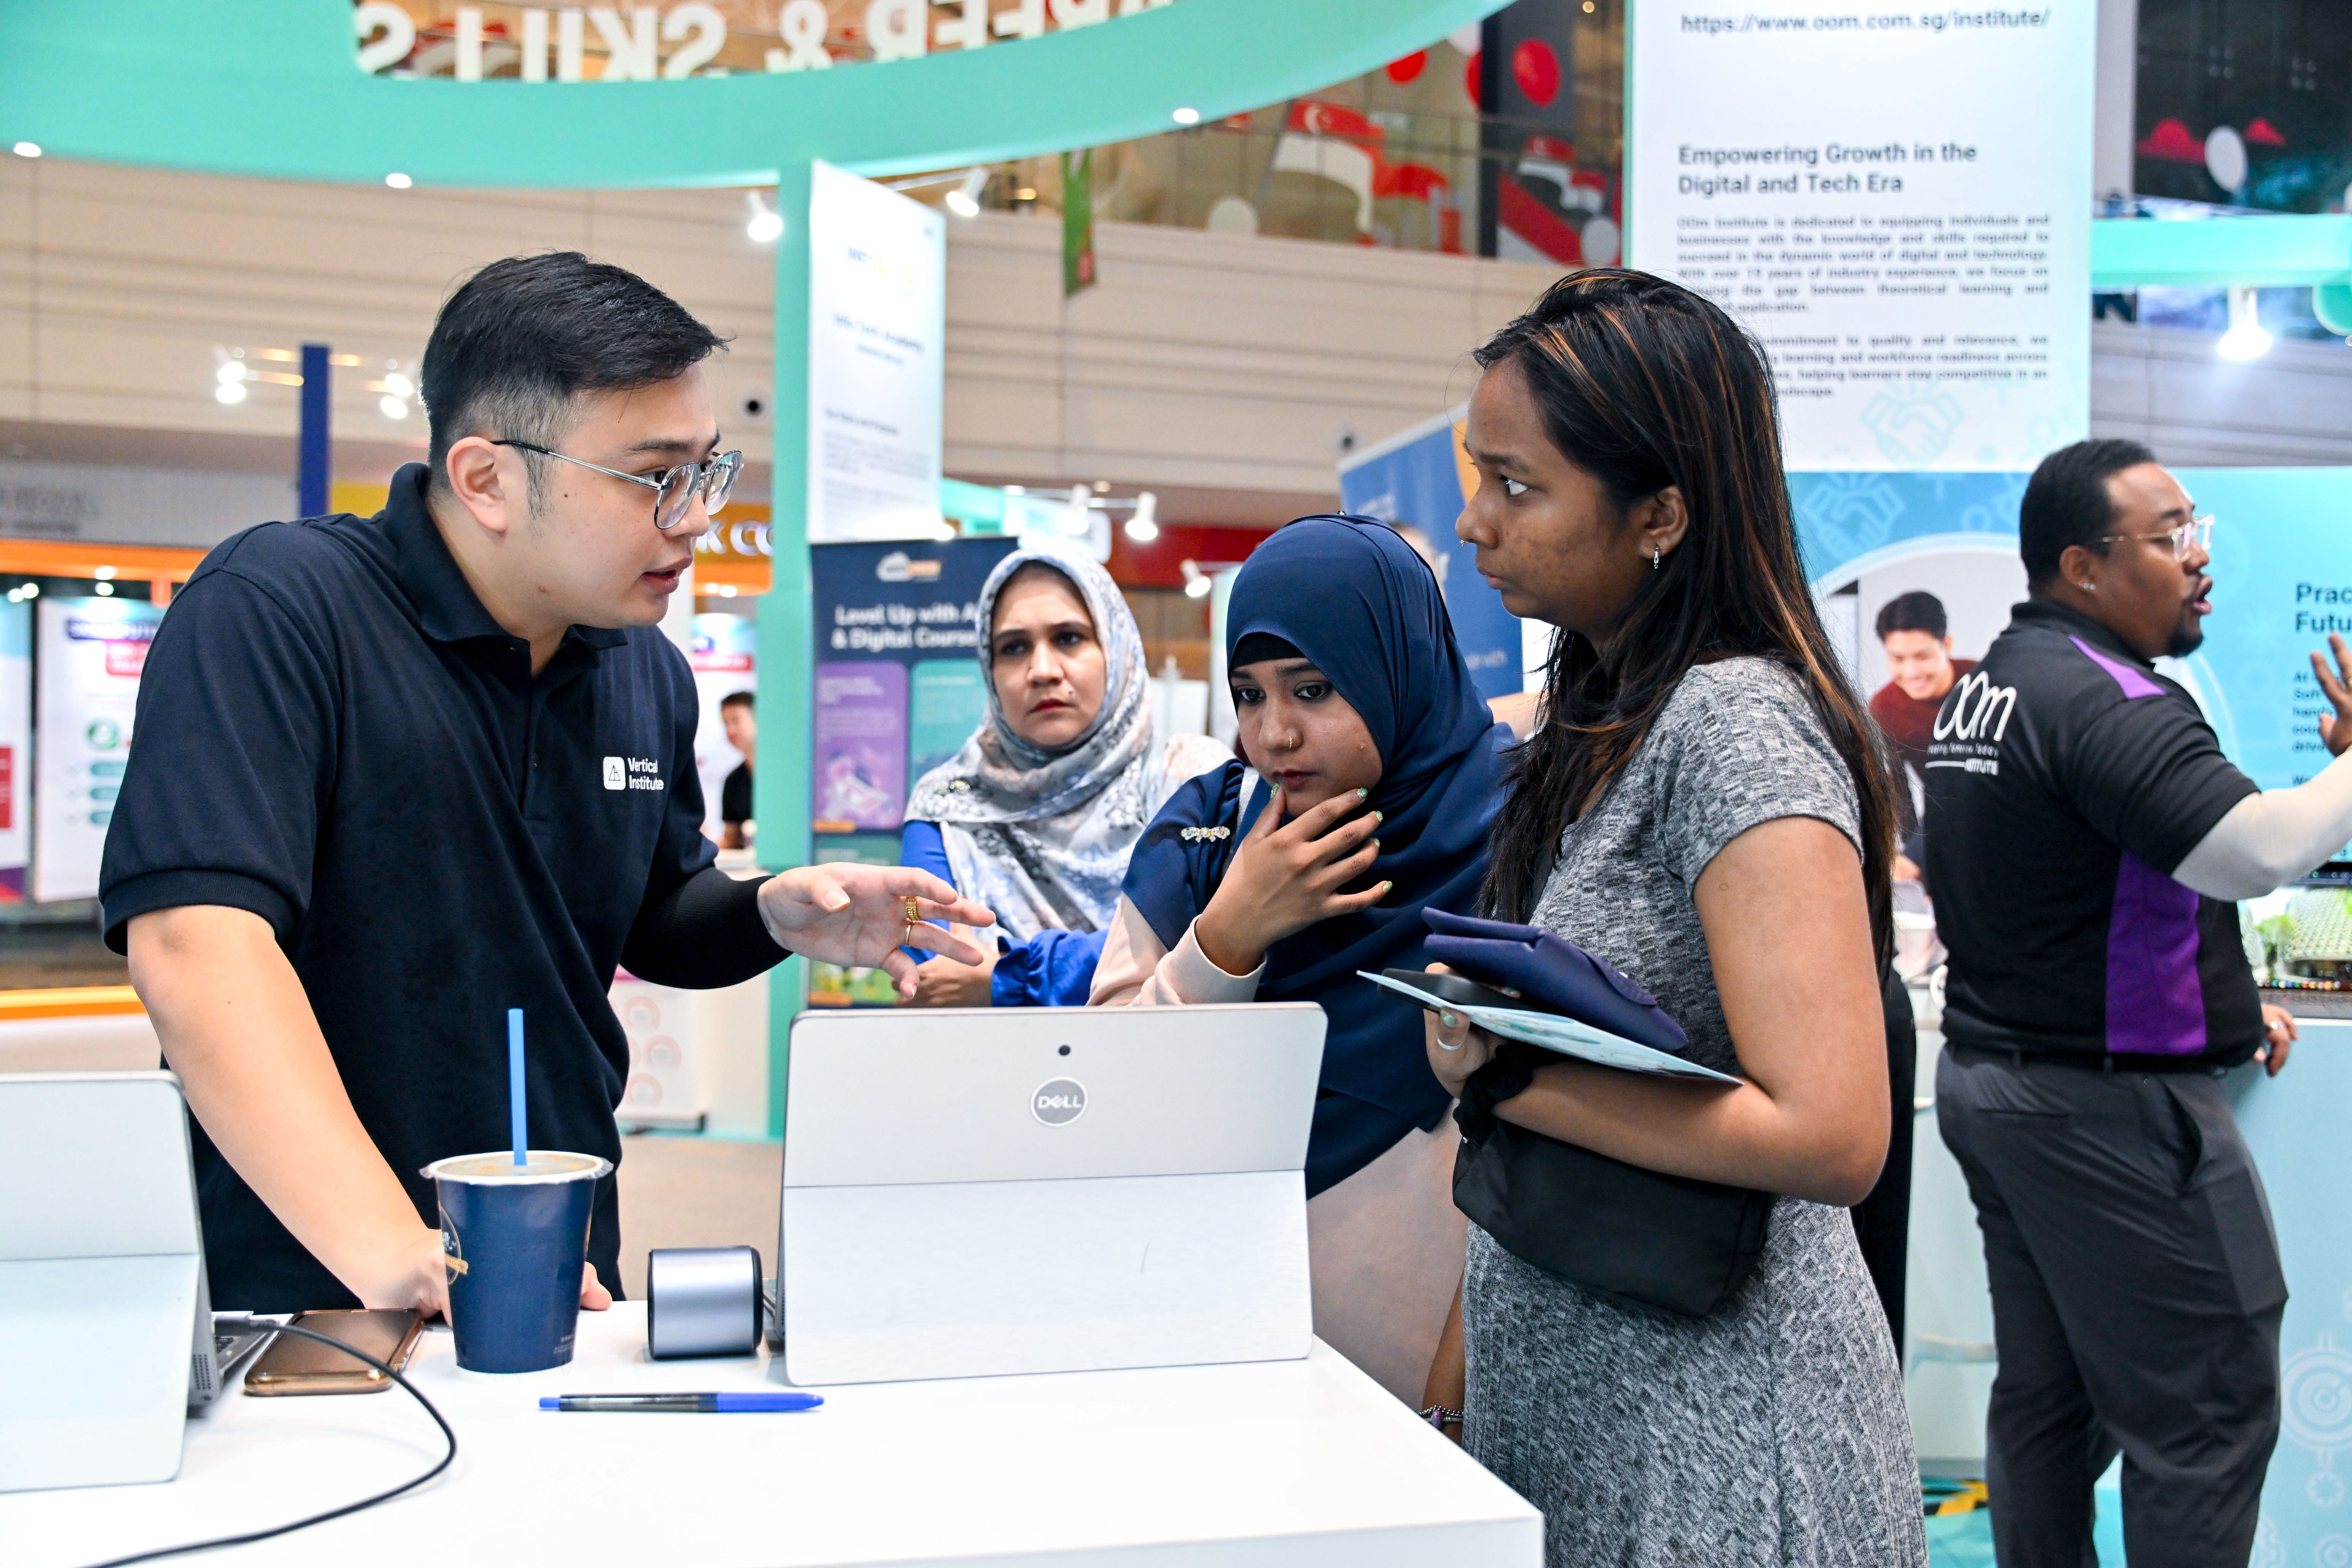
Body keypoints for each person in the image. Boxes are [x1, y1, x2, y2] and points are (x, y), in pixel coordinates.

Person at [100, 253, 993, 1315]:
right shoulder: (282, 610)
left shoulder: (638, 665)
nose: (696, 518)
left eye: (709, 470)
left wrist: (773, 913)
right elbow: (194, 944)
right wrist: (395, 1245)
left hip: (561, 1258)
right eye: (657, 477)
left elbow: (650, 910)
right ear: (486, 480)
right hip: (314, 1283)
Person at [1424, 269, 1925, 1566]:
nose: (1473, 522)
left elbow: (1832, 1132)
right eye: (1480, 472)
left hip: (1720, 1433)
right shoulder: (1601, 717)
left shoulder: (1736, 723)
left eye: (1516, 486)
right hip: (1613, 1411)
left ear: (1658, 514)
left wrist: (1512, 1078)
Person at [1925, 438, 2352, 1568]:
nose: (2199, 561)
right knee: (2207, 1411)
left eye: (2196, 531)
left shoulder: (1992, 687)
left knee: (2054, 1397)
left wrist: (2222, 999)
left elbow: (2079, 889)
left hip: (2003, 1080)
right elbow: (2261, 850)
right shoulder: (2104, 698)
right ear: (2082, 566)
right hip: (2103, 1109)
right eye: (2171, 540)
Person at [1091, 513, 1511, 1405]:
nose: (1271, 733)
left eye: (1313, 689)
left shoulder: (1516, 828)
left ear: (1396, 666)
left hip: (1452, 1376)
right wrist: (1230, 933)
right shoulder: (1204, 829)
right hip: (1214, 1340)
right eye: (1248, 694)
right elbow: (1102, 1097)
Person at [899, 542, 1227, 1008]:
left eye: (1069, 638)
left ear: (1115, 647)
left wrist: (1008, 978)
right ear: (989, 672)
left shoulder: (1191, 779)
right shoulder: (943, 802)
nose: (1043, 670)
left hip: (1169, 1068)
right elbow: (930, 966)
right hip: (990, 1072)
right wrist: (1129, 960)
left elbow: (1219, 939)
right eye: (1013, 648)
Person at [1869, 588, 1974, 879]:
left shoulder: (1985, 687)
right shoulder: (1884, 708)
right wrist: (1917, 863)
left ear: (1947, 645)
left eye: (1922, 656)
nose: (1911, 672)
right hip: (1941, 828)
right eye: (1898, 659)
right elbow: (1898, 797)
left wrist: (1917, 856)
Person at [717, 689, 755, 848]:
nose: (730, 731)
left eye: (736, 721)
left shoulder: (785, 775)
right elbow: (731, 840)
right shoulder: (733, 780)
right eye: (726, 723)